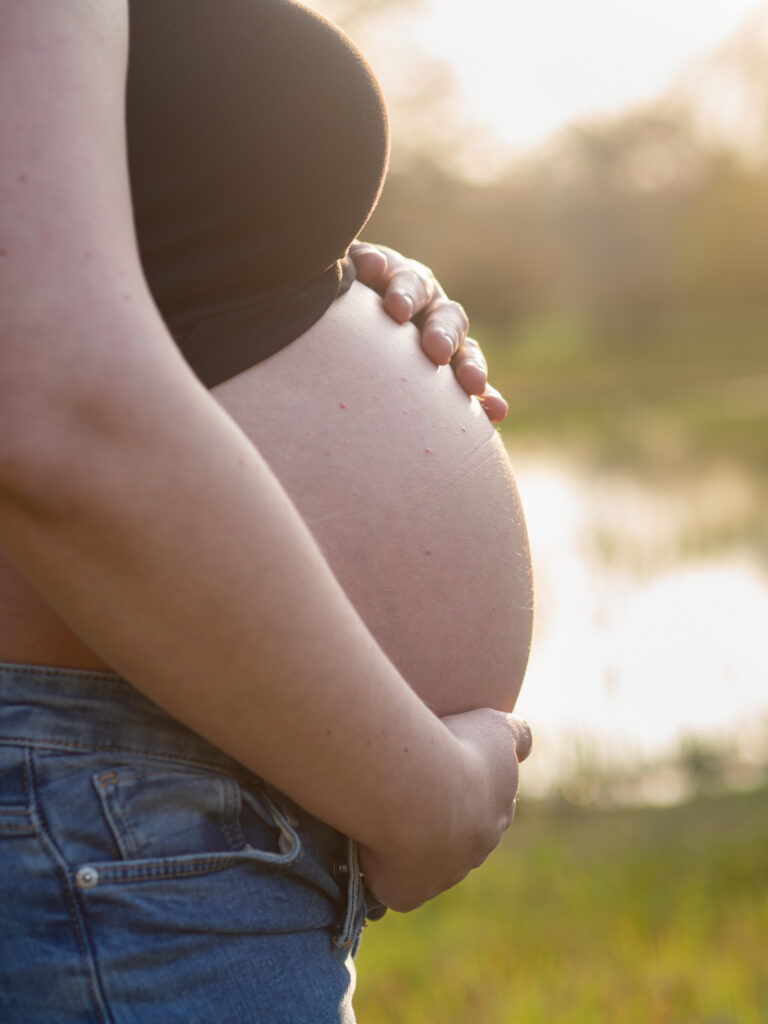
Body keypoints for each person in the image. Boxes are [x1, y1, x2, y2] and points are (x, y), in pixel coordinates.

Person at [0, 2, 533, 1021]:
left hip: (119, 811)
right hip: (96, 809)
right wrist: (429, 800)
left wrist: (301, 265)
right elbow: (43, 404)